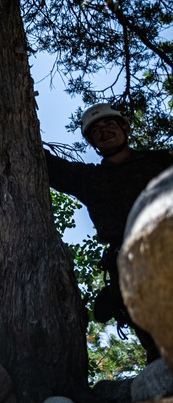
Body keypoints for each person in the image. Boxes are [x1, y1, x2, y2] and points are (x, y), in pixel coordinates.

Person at [44, 103, 173, 363]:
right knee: (158, 350)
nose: (104, 132)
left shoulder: (162, 161)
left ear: (124, 128)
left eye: (109, 125)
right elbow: (45, 164)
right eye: (96, 131)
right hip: (129, 268)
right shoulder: (90, 179)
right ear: (92, 142)